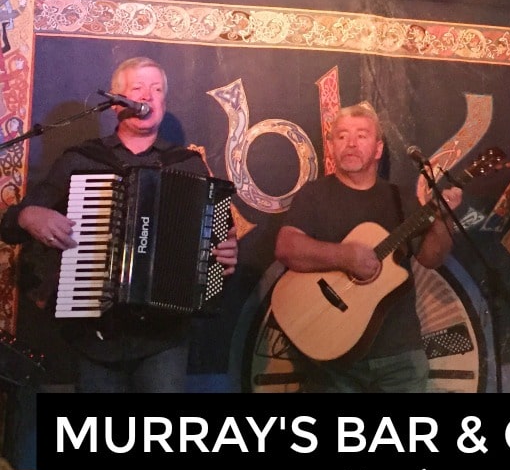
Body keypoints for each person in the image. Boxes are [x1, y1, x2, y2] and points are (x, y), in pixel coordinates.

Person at [0, 56, 238, 395]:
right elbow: (10, 226)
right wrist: (27, 215)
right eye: (138, 88)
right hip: (95, 333)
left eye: (157, 89)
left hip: (164, 336)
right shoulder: (81, 159)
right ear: (116, 103)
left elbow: (218, 240)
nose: (148, 95)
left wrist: (224, 253)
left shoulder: (187, 164)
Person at [274, 101, 461, 392]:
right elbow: (287, 247)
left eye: (361, 135)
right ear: (332, 146)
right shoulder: (313, 195)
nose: (351, 143)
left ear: (377, 148)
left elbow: (431, 258)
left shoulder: (402, 200)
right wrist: (345, 256)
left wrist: (443, 220)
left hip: (400, 355)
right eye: (342, 136)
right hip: (332, 354)